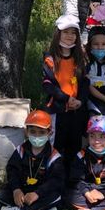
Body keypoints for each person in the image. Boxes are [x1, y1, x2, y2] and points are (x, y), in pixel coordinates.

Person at [0, 109, 64, 210]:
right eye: (33, 132)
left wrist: (37, 193)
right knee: (1, 195)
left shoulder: (54, 156)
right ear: (26, 132)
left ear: (50, 133)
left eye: (42, 132)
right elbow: (12, 170)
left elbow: (56, 180)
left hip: (41, 193)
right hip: (23, 191)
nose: (37, 136)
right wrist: (16, 190)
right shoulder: (20, 150)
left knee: (56, 196)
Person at [42, 14, 88, 161]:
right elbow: (48, 85)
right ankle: (55, 177)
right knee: (56, 146)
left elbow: (84, 83)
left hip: (76, 109)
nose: (70, 36)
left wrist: (80, 100)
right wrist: (66, 99)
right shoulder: (50, 59)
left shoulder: (80, 58)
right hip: (57, 109)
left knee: (74, 145)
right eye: (66, 32)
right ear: (58, 33)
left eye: (73, 33)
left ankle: (73, 180)